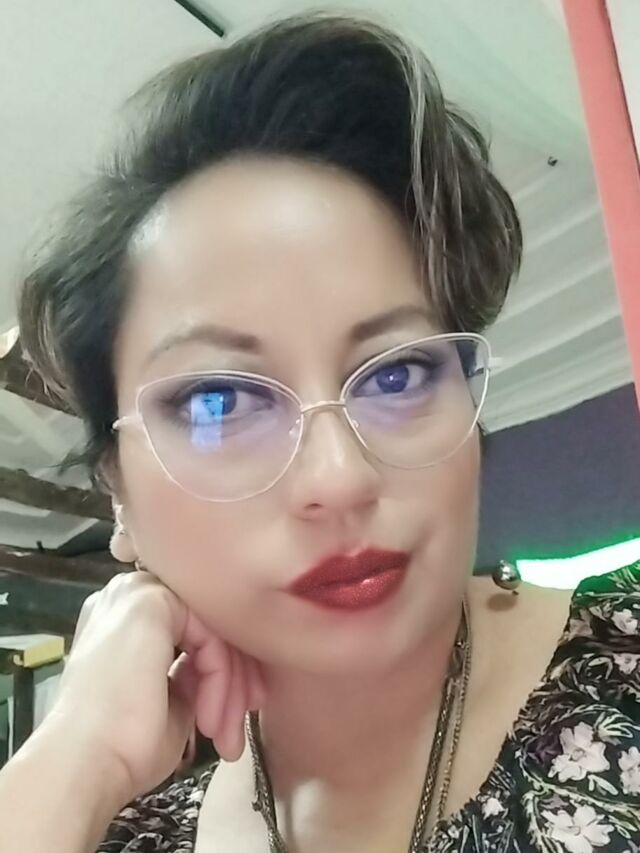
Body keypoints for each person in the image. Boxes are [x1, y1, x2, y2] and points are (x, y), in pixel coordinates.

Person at [1, 12, 638, 853]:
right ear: (118, 487)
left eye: (397, 375)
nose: (339, 476)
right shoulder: (115, 831)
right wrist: (74, 755)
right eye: (220, 402)